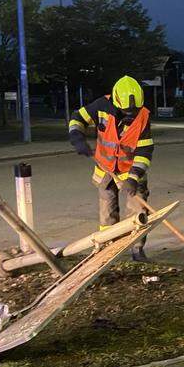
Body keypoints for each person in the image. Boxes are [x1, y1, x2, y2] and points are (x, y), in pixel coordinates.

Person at [68, 75, 155, 259]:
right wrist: (77, 137)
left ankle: (137, 250)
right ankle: (108, 250)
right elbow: (77, 118)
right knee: (107, 214)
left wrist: (133, 177)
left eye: (134, 111)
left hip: (131, 171)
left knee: (138, 211)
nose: (131, 115)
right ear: (116, 102)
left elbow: (145, 149)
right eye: (127, 111)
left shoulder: (143, 116)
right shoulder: (101, 106)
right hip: (105, 169)